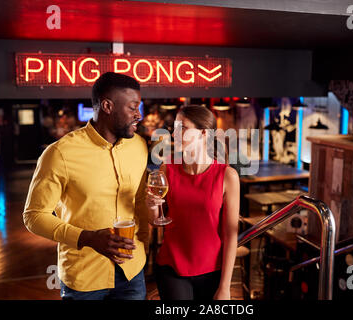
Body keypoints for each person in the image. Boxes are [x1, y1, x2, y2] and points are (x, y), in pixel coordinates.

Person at [23, 72, 149, 300]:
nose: (138, 115)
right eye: (132, 108)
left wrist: (145, 245)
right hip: (84, 277)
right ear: (108, 106)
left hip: (133, 270)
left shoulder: (139, 146)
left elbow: (138, 200)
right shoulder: (60, 153)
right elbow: (34, 216)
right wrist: (88, 238)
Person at [146, 105, 240, 300]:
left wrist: (225, 287)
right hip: (171, 267)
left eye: (183, 128)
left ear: (204, 133)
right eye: (175, 128)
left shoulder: (227, 176)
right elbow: (155, 221)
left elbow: (231, 236)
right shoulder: (167, 168)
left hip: (212, 270)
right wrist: (152, 206)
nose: (175, 134)